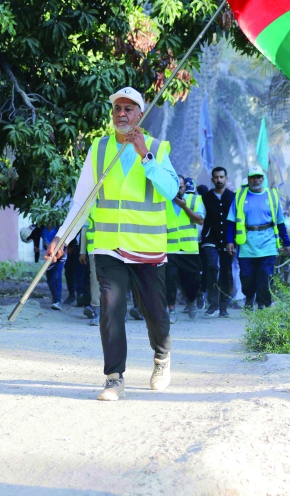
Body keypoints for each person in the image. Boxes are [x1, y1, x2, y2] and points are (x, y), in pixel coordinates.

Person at [45, 87, 178, 401]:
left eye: (129, 109)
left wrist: (145, 155)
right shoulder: (100, 149)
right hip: (108, 247)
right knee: (110, 308)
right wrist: (62, 237)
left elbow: (171, 190)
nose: (122, 113)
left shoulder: (157, 149)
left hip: (146, 247)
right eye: (117, 108)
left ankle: (162, 358)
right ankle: (114, 378)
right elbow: (83, 200)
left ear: (140, 115)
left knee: (154, 312)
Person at [227, 166, 290, 310]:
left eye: (258, 177)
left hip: (268, 243)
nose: (256, 180)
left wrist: (286, 242)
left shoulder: (272, 196)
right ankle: (249, 297)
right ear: (248, 179)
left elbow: (280, 221)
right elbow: (231, 221)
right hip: (246, 244)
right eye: (252, 177)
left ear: (263, 179)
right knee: (247, 276)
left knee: (265, 276)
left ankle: (263, 304)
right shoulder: (239, 196)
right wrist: (229, 241)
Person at [165, 177, 204, 321]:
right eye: (175, 187)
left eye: (181, 187)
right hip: (170, 249)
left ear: (185, 187)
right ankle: (172, 310)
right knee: (169, 280)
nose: (178, 190)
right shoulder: (164, 202)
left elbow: (200, 220)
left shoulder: (194, 200)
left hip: (189, 249)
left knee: (192, 281)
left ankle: (191, 300)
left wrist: (184, 207)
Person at [200, 166, 235, 317]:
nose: (219, 180)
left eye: (222, 177)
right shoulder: (205, 197)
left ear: (226, 179)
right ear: (212, 179)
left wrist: (233, 240)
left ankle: (224, 307)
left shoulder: (233, 197)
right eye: (216, 177)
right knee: (212, 267)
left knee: (226, 272)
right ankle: (212, 304)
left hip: (228, 240)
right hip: (210, 238)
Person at [40, 225, 66, 310]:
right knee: (50, 279)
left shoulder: (58, 227)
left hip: (60, 255)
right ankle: (54, 298)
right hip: (48, 256)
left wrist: (64, 251)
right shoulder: (42, 229)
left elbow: (66, 238)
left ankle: (57, 301)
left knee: (57, 276)